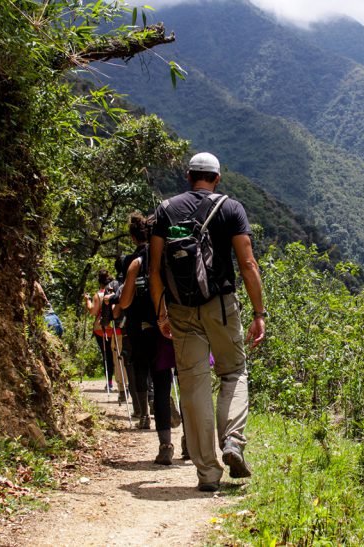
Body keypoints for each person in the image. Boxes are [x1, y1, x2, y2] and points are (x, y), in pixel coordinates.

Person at [149, 151, 266, 492]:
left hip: (181, 309)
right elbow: (248, 265)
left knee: (193, 385)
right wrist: (259, 313)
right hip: (221, 306)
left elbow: (154, 268)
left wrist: (161, 313)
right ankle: (232, 440)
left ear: (188, 176)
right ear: (217, 179)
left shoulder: (165, 210)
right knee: (233, 371)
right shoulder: (231, 208)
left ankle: (207, 474)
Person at [113, 212, 175, 464]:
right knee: (174, 383)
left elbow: (125, 301)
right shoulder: (168, 257)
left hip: (147, 331)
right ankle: (189, 443)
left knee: (153, 380)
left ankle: (165, 445)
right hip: (174, 327)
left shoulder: (135, 262)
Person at [84, 269, 126, 395]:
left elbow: (92, 311)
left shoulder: (98, 295)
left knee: (106, 355)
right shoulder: (115, 291)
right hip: (114, 329)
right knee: (116, 354)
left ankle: (109, 382)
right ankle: (120, 381)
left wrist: (87, 300)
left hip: (101, 329)